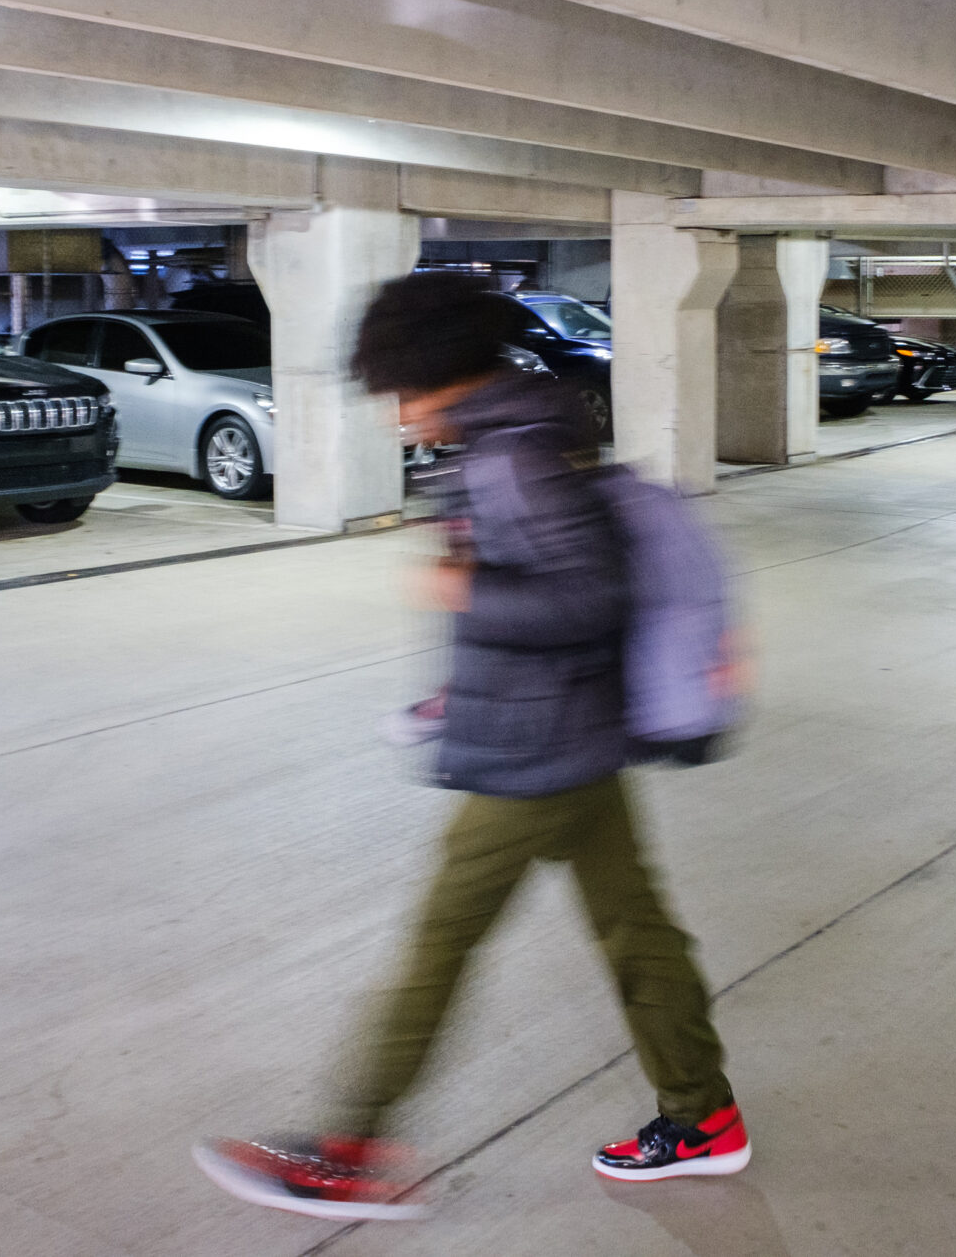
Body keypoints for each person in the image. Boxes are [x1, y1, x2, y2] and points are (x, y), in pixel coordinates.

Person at [196, 273, 746, 1222]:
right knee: (637, 928)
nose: (392, 411)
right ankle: (702, 1116)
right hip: (570, 733)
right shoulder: (523, 433)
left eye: (397, 390)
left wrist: (462, 593)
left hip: (533, 749)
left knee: (438, 944)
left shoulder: (509, 460)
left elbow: (590, 598)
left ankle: (348, 1149)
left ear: (436, 374)